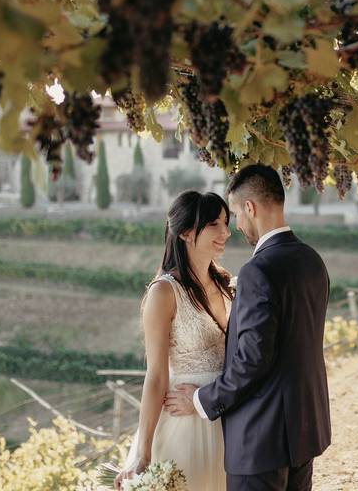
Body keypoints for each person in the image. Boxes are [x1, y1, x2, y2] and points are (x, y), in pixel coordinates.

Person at [165, 164, 332, 491]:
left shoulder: (259, 270)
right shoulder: (312, 260)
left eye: (236, 216)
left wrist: (200, 400)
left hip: (261, 438)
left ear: (250, 208)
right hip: (305, 429)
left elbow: (253, 360)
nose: (236, 227)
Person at [116, 191, 233, 490]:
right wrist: (142, 453)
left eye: (225, 222)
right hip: (186, 426)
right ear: (185, 233)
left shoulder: (225, 284)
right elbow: (155, 376)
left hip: (228, 416)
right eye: (214, 224)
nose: (226, 232)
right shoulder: (164, 293)